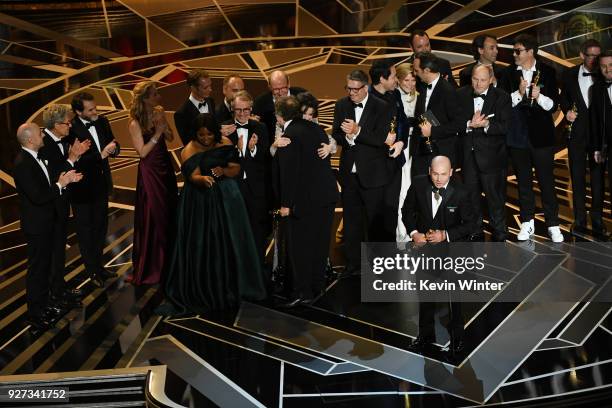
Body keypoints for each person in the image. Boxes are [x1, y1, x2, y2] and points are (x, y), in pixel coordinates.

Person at [162, 113, 267, 313]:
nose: (206, 139)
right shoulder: (189, 150)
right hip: (200, 203)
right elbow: (193, 176)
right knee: (203, 241)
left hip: (228, 200)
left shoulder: (225, 142)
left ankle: (237, 284)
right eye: (201, 135)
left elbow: (236, 168)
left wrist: (224, 171)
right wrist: (202, 180)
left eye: (209, 135)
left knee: (233, 239)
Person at [402, 155, 476, 356]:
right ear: (429, 171)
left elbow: (472, 224)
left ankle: (457, 339)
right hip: (426, 251)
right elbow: (407, 210)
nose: (439, 179)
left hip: (453, 250)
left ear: (451, 173)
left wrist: (446, 235)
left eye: (443, 174)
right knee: (424, 294)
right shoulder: (418, 184)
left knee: (455, 298)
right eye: (435, 173)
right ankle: (425, 336)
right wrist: (414, 233)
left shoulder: (461, 192)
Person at [13, 123, 83, 332]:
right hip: (37, 226)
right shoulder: (23, 163)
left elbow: (48, 184)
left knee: (45, 268)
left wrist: (64, 179)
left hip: (47, 221)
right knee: (38, 271)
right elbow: (38, 196)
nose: (42, 133)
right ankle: (35, 314)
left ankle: (43, 306)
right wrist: (61, 185)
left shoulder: (38, 155)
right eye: (39, 132)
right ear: (30, 140)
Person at [498, 33, 563, 242]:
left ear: (531, 52)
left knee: (547, 182)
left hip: (542, 138)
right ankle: (527, 222)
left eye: (518, 51)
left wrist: (539, 96)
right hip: (517, 137)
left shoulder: (548, 72)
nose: (514, 54)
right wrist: (518, 93)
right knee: (523, 182)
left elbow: (554, 105)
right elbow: (501, 105)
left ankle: (553, 223)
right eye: (514, 51)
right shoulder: (507, 74)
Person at [276, 96, 339, 306]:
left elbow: (289, 175)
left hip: (303, 203)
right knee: (319, 246)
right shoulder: (317, 129)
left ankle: (302, 293)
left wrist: (286, 205)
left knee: (300, 248)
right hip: (326, 198)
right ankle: (316, 287)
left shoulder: (290, 135)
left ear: (279, 116)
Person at [332, 69, 392, 275]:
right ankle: (353, 264)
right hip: (349, 174)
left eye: (355, 89)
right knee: (351, 221)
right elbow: (336, 135)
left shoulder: (382, 107)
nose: (351, 93)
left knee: (375, 222)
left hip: (373, 175)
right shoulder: (341, 105)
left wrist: (357, 132)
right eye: (348, 89)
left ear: (365, 88)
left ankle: (378, 266)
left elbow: (381, 140)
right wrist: (347, 138)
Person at [39, 104, 90, 307]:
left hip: (62, 203)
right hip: (50, 207)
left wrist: (75, 157)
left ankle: (59, 288)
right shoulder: (44, 146)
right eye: (66, 123)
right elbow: (53, 177)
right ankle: (54, 293)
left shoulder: (64, 140)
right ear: (55, 125)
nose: (70, 125)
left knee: (60, 250)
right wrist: (72, 158)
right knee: (53, 252)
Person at [129, 81, 178, 285]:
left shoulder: (159, 111)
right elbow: (142, 152)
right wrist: (157, 133)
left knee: (169, 211)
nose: (158, 96)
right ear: (145, 99)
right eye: (155, 94)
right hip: (150, 172)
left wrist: (163, 127)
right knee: (153, 213)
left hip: (165, 167)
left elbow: (171, 137)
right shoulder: (134, 123)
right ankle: (152, 265)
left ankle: (170, 261)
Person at [456, 65, 512, 242]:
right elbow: (454, 122)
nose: (478, 84)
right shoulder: (460, 94)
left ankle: (500, 230)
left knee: (495, 197)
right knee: (471, 196)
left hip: (492, 156)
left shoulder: (501, 97)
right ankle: (475, 229)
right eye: (475, 79)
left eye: (482, 80)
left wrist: (486, 125)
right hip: (468, 156)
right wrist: (468, 125)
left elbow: (505, 126)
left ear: (491, 80)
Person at [70, 92, 120, 287]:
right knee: (86, 231)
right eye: (90, 110)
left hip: (101, 185)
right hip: (82, 189)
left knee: (100, 228)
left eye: (95, 107)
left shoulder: (102, 121)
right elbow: (78, 163)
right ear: (78, 111)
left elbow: (114, 143)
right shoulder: (72, 130)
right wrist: (101, 154)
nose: (95, 111)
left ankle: (99, 267)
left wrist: (114, 149)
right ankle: (91, 271)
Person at [560, 39, 606, 239]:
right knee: (577, 177)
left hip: (599, 136)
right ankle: (579, 219)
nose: (595, 59)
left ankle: (597, 219)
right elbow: (564, 98)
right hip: (576, 136)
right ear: (581, 55)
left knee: (597, 179)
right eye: (591, 55)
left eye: (598, 55)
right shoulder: (569, 74)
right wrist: (567, 110)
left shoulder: (605, 74)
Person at [223, 91, 270, 265]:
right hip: (232, 189)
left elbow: (265, 157)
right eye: (238, 110)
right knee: (233, 230)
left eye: (246, 110)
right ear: (232, 109)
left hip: (254, 189)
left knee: (257, 230)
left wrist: (252, 149)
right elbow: (221, 160)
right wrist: (237, 149)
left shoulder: (261, 128)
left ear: (251, 109)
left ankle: (256, 268)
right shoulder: (224, 129)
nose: (242, 114)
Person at [412, 52, 460, 176]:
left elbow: (457, 124)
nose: (414, 73)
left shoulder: (448, 91)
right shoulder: (421, 85)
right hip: (422, 150)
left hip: (440, 151)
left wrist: (432, 131)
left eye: (416, 70)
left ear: (427, 70)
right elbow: (422, 114)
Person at [395, 64, 418, 242]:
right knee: (402, 187)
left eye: (413, 79)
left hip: (416, 147)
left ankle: (413, 229)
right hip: (400, 147)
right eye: (406, 80)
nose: (410, 83)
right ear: (398, 80)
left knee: (413, 186)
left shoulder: (421, 97)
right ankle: (401, 232)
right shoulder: (393, 98)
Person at [591, 50, 612, 232]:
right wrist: (597, 148)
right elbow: (595, 121)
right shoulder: (596, 88)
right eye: (604, 66)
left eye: (611, 65)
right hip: (604, 146)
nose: (607, 69)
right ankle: (597, 224)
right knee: (600, 187)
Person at [253, 70, 306, 139]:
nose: (280, 93)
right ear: (269, 87)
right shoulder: (260, 102)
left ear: (288, 84)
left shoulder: (302, 96)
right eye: (276, 89)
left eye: (283, 88)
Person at [174, 69, 215, 146]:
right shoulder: (181, 113)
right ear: (193, 88)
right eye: (205, 87)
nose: (210, 89)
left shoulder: (210, 101)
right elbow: (187, 142)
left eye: (210, 85)